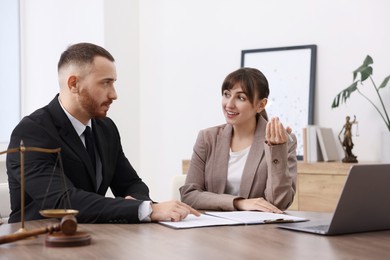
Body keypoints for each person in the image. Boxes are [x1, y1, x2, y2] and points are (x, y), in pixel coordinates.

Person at [6, 42, 199, 223]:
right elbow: (63, 201)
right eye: (105, 83)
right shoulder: (32, 131)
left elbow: (131, 183)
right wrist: (145, 209)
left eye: (113, 83)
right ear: (74, 84)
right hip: (38, 245)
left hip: (93, 239)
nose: (114, 94)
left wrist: (139, 201)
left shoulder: (106, 128)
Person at [180, 67, 297, 212]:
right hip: (212, 230)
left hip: (259, 231)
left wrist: (277, 150)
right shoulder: (207, 138)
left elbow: (279, 203)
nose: (229, 104)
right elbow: (189, 195)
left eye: (241, 98)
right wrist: (238, 203)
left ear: (261, 105)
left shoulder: (284, 140)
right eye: (226, 94)